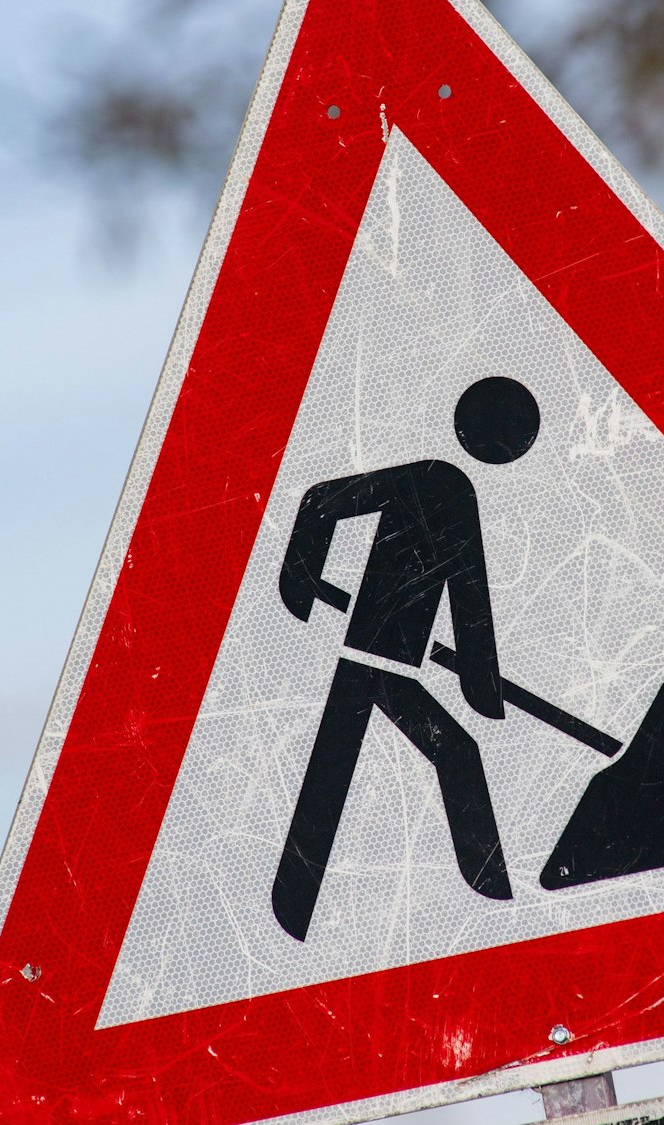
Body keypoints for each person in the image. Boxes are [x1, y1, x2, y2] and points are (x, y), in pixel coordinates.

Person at [271, 376, 540, 940]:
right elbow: (321, 502)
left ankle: (290, 909)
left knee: (338, 773)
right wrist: (296, 582)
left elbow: (471, 602)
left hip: (381, 665)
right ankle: (502, 907)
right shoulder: (440, 483)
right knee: (451, 754)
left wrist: (481, 684)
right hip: (374, 663)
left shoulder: (446, 485)